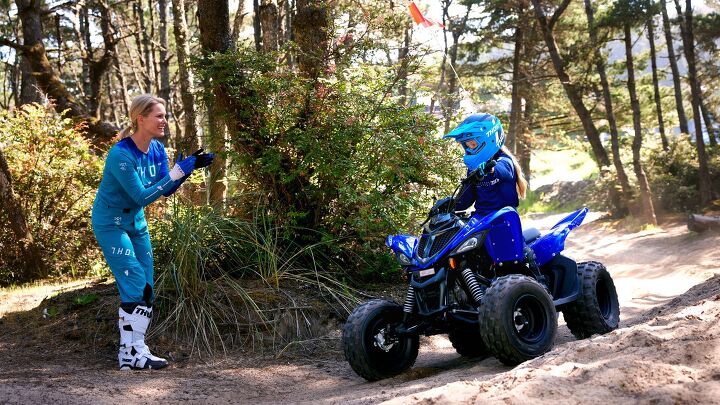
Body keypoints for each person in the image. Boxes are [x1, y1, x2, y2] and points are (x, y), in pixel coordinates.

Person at [91, 94, 214, 370]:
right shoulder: (121, 155)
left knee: (146, 286)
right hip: (110, 222)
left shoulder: (157, 149)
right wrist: (175, 173)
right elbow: (140, 196)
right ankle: (128, 353)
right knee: (134, 278)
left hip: (136, 222)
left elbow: (165, 190)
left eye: (165, 116)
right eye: (159, 116)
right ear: (140, 118)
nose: (164, 121)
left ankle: (136, 350)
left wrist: (186, 170)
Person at [444, 113, 541, 278]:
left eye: (472, 144)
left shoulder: (505, 161)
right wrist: (448, 205)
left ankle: (541, 285)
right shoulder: (474, 170)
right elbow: (465, 200)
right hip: (481, 223)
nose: (468, 149)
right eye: (466, 145)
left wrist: (490, 170)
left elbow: (502, 173)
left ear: (488, 140)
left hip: (504, 222)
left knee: (523, 256)